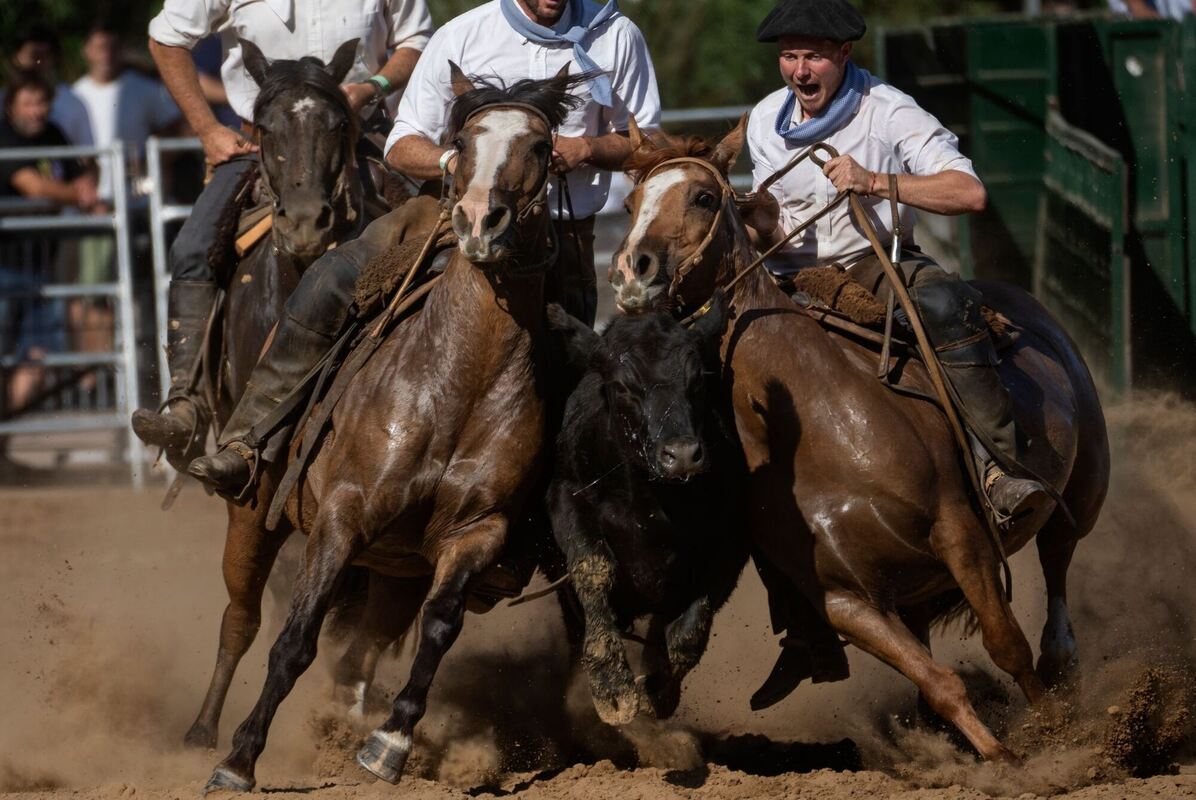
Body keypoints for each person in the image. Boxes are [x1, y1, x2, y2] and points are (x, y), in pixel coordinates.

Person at [186, 0, 662, 497]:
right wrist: (457, 164)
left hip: (561, 238)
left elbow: (647, 141)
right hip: (450, 225)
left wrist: (587, 149)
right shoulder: (462, 36)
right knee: (331, 278)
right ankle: (251, 439)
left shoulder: (617, 35)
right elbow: (401, 143)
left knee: (580, 382)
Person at [741, 0, 1046, 523]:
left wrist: (876, 182)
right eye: (789, 57)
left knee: (948, 304)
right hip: (783, 273)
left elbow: (969, 193)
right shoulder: (767, 118)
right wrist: (760, 218)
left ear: (844, 52)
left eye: (813, 57)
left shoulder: (890, 110)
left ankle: (997, 466)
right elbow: (770, 218)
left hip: (873, 265)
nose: (799, 71)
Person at [130, 0, 435, 468]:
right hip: (262, 142)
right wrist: (208, 130)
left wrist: (371, 86)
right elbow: (165, 39)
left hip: (359, 133)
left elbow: (416, 40)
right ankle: (187, 402)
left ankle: (451, 402)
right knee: (193, 247)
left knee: (440, 234)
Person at [0, 72, 99, 455]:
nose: (38, 110)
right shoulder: (4, 135)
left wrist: (88, 182)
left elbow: (82, 167)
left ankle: (3, 446)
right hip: (7, 265)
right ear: (12, 104)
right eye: (30, 102)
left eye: (42, 102)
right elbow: (32, 185)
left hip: (41, 266)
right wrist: (81, 197)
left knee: (36, 357)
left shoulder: (53, 132)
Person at [9, 28, 95, 148]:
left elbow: (87, 156)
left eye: (44, 56)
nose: (38, 63)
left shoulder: (73, 103)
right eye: (33, 56)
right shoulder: (2, 99)